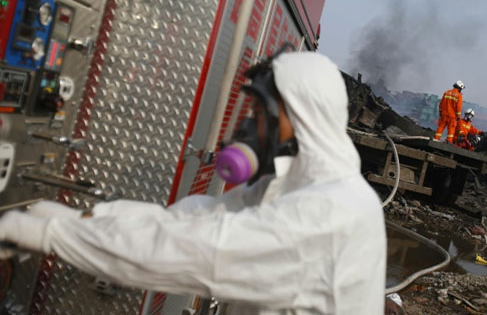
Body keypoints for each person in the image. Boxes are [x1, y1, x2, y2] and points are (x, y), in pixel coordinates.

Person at [0, 51, 387, 314]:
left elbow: (202, 252)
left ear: (302, 115)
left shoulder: (335, 209)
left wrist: (54, 235)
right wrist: (86, 218)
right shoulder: (292, 185)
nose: (249, 126)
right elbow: (192, 220)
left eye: (258, 112)